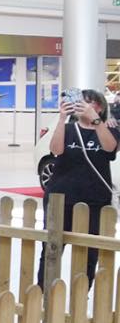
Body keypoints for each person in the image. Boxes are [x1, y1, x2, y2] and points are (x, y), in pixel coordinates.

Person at [38, 88, 119, 288]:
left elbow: (110, 148)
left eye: (88, 102)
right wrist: (61, 119)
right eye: (79, 101)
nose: (81, 105)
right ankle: (43, 293)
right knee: (51, 248)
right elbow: (56, 150)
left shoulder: (110, 128)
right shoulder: (67, 128)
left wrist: (96, 121)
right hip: (60, 197)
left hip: (94, 200)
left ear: (99, 107)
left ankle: (82, 293)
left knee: (89, 252)